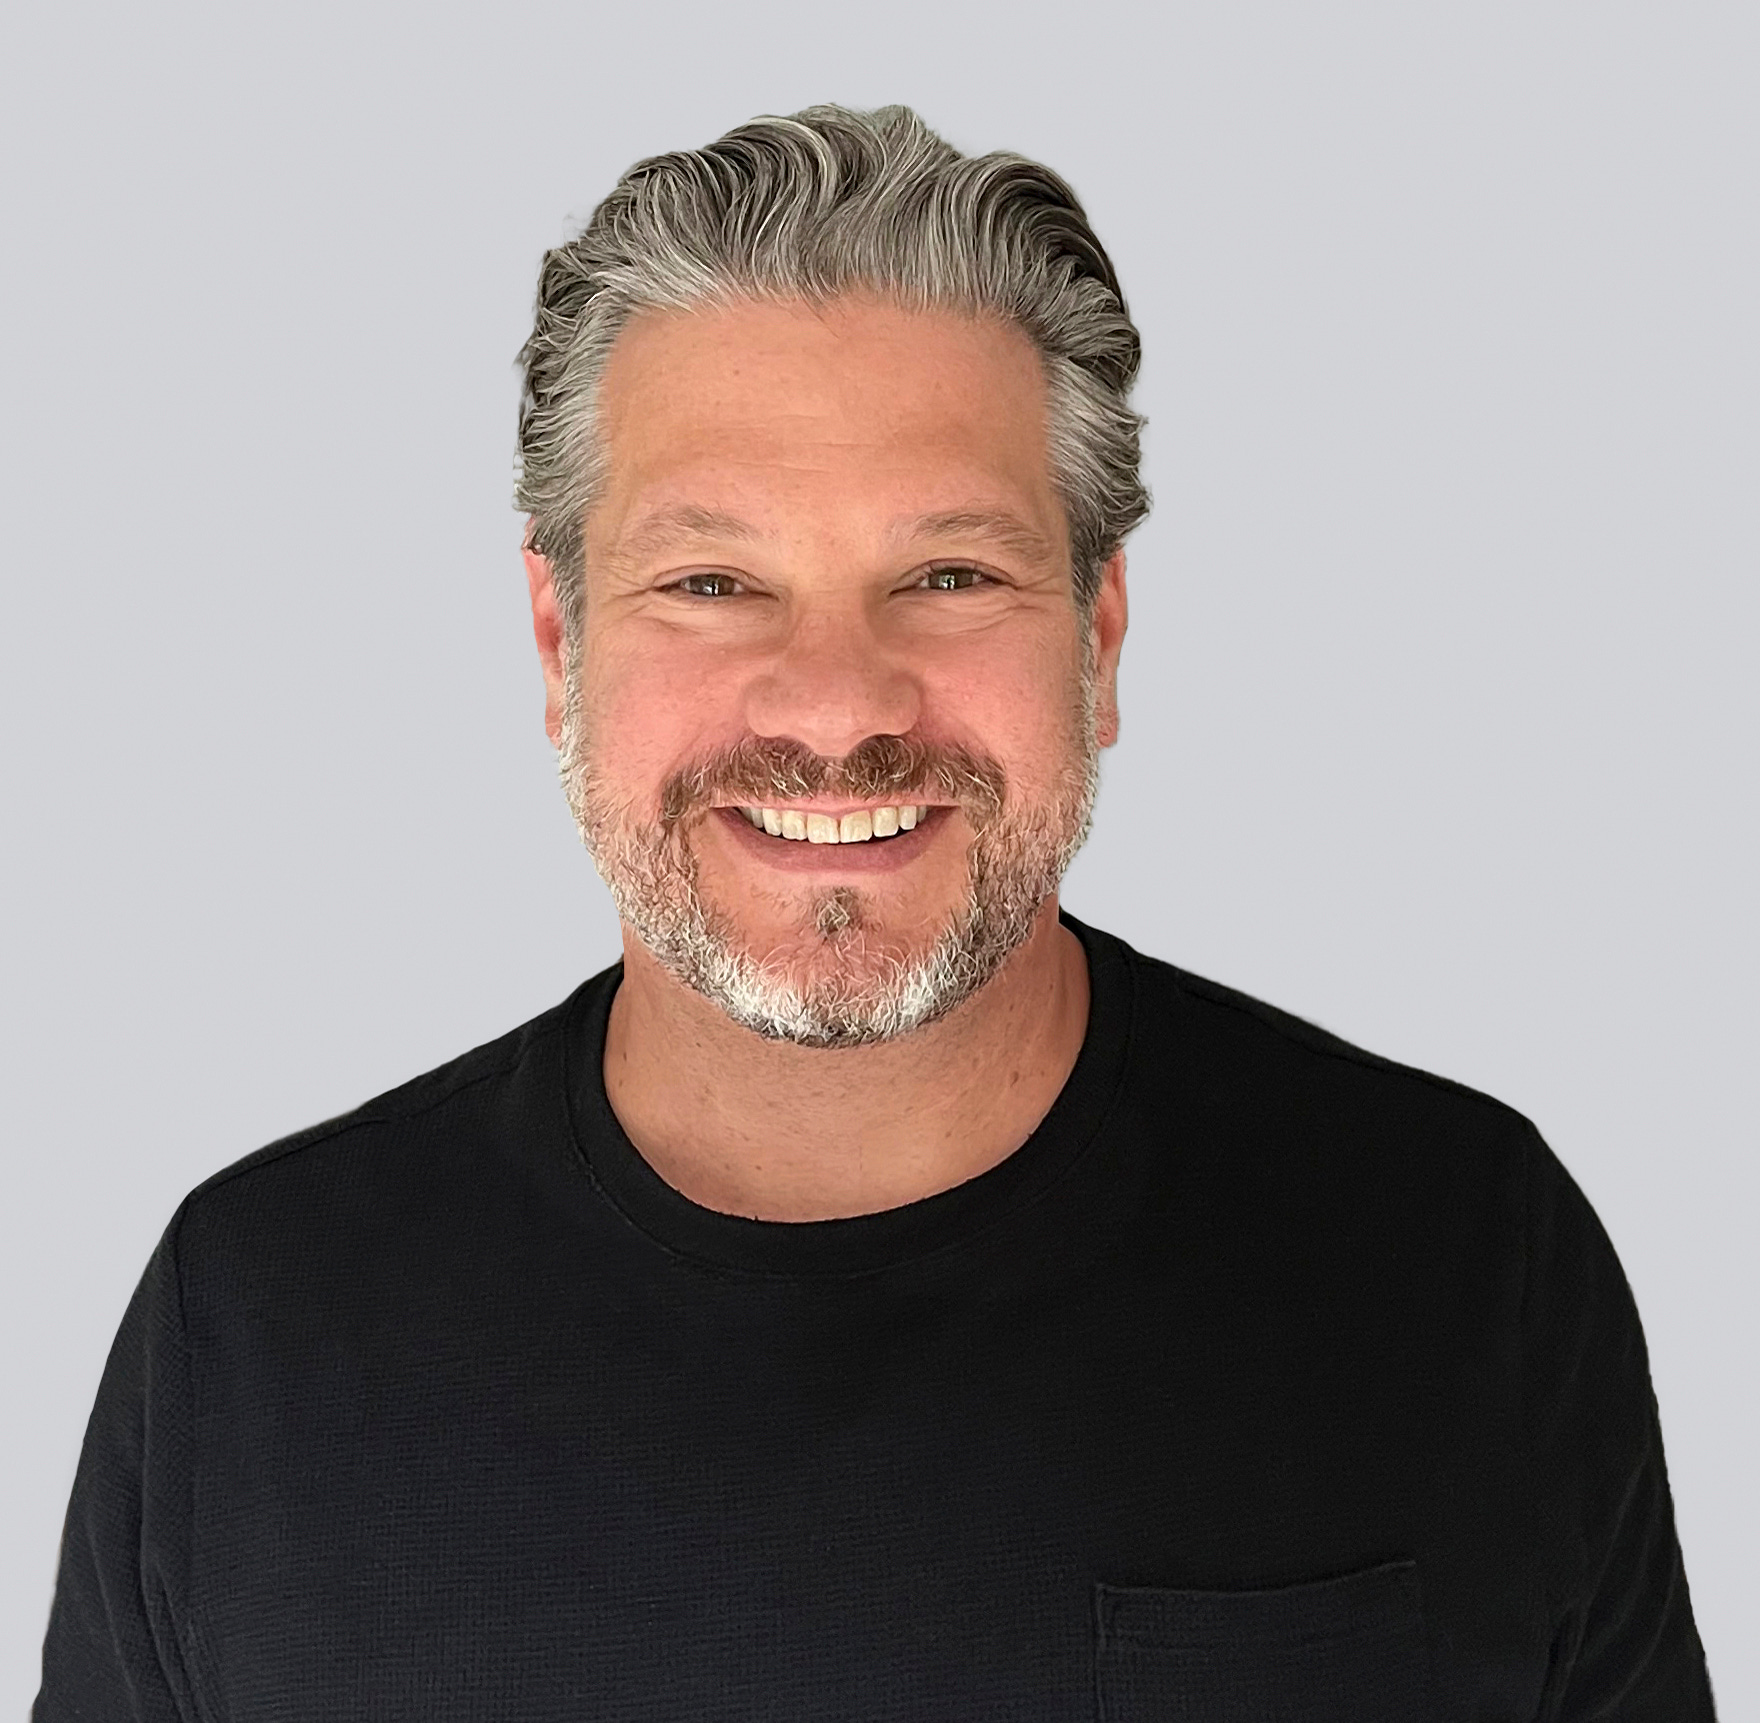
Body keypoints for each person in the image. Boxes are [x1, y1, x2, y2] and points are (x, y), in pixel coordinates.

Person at [34, 104, 1715, 1721]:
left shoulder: (1461, 1262)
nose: (838, 705)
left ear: (1099, 634)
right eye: (712, 582)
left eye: (950, 574)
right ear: (560, 641)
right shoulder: (256, 1331)